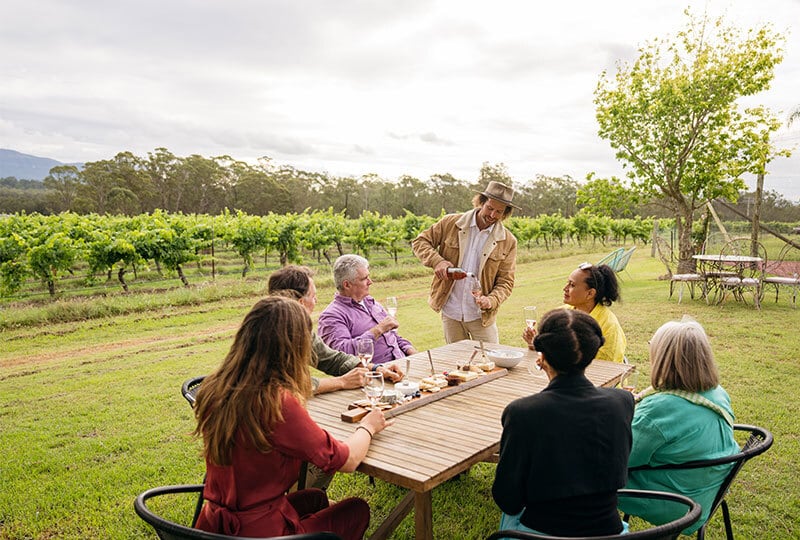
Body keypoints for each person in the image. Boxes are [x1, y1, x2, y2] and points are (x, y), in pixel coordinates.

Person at [192, 296, 392, 539]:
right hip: (259, 533)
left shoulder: (215, 387)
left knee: (315, 498)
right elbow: (345, 461)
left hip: (213, 525)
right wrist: (368, 427)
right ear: (293, 348)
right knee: (355, 510)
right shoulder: (275, 402)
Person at [493, 308, 634, 537]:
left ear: (542, 357)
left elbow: (508, 500)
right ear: (590, 353)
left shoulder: (522, 413)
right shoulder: (622, 401)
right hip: (609, 532)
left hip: (541, 532)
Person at [619, 317, 739, 534]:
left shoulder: (660, 409)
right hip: (708, 492)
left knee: (581, 475)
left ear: (664, 358)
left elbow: (618, 460)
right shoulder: (718, 393)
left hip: (678, 503)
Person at [268, 265, 404, 394]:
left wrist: (376, 369)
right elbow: (288, 385)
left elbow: (331, 358)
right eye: (313, 296)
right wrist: (341, 382)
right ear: (301, 303)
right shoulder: (269, 333)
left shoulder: (297, 327)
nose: (316, 300)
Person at [412, 180, 518, 344]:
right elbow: (420, 242)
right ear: (481, 202)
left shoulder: (508, 241)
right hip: (451, 312)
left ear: (505, 213)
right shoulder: (451, 223)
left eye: (498, 212)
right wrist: (437, 261)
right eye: (490, 208)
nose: (492, 215)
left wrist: (491, 300)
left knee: (491, 363)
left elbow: (506, 282)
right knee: (458, 366)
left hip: (480, 316)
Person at [318, 254, 417, 364]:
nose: (370, 282)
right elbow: (341, 355)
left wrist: (411, 351)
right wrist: (378, 330)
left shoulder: (370, 302)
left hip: (402, 363)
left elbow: (392, 336)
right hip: (376, 375)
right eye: (364, 279)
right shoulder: (332, 315)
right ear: (347, 285)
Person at [523, 262, 626, 363]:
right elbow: (550, 355)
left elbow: (607, 369)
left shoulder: (609, 326)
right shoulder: (561, 314)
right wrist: (534, 344)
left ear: (590, 293)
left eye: (572, 285)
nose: (565, 288)